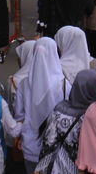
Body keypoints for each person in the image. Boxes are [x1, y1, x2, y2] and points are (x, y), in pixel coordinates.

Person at [36, 69, 96, 174]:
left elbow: (48, 142)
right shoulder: (95, 117)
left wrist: (40, 166)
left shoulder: (59, 110)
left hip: (56, 169)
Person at [16, 37, 67, 173]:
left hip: (30, 145)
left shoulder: (23, 85)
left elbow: (19, 116)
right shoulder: (64, 84)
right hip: (56, 145)